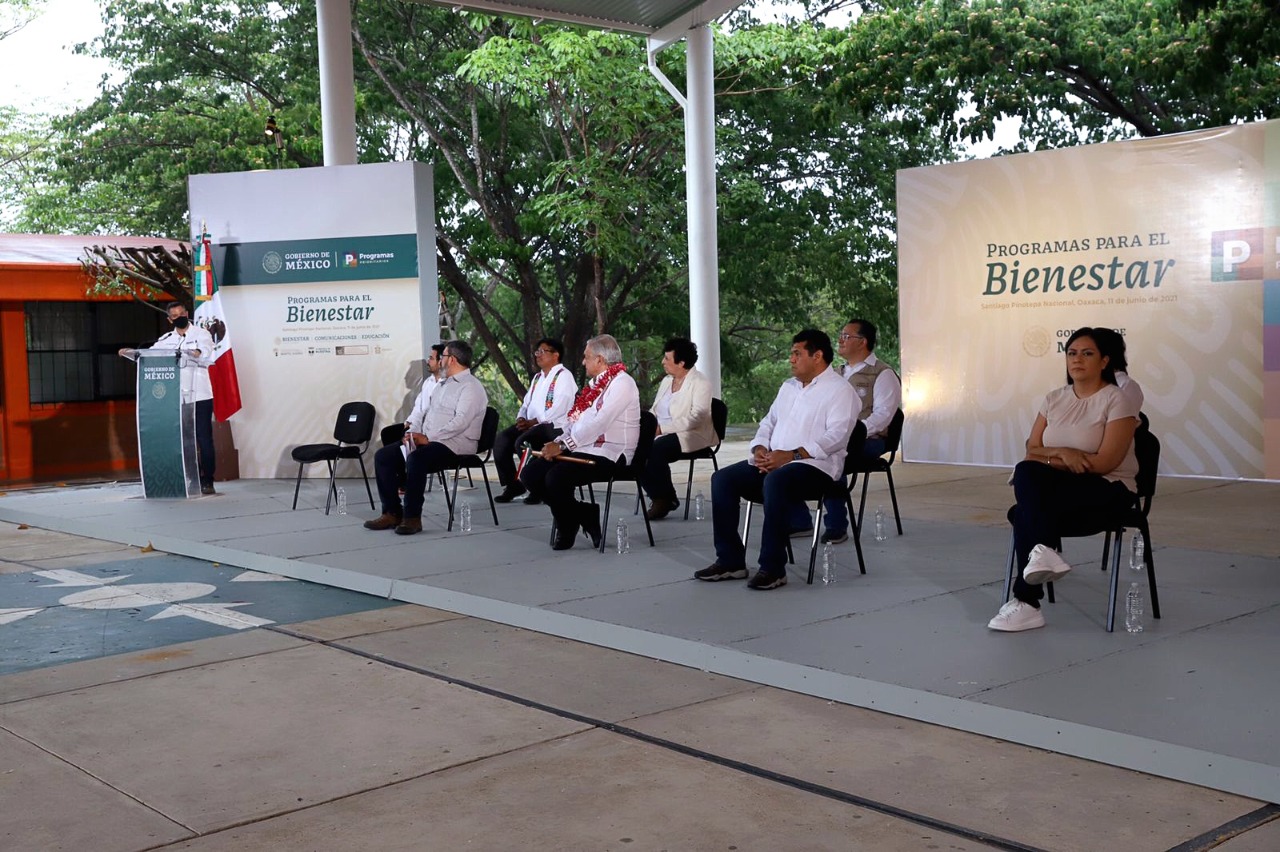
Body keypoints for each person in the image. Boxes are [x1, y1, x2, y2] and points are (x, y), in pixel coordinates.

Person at [988, 327, 1140, 632]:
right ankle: (1040, 565)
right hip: (1062, 490)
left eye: (1087, 353)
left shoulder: (1117, 400)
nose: (1077, 359)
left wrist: (1051, 459)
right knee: (1027, 471)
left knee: (1026, 509)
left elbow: (1105, 462)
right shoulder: (1054, 399)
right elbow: (1032, 450)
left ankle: (1027, 600)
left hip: (1108, 489)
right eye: (1072, 353)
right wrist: (1063, 453)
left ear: (1104, 361)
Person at [697, 330, 855, 590]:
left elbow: (836, 437)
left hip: (817, 468)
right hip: (776, 463)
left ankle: (773, 568)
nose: (791, 359)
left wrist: (792, 455)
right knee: (723, 479)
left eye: (797, 354)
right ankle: (730, 561)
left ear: (817, 356)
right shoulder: (788, 387)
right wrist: (760, 447)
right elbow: (768, 423)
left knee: (777, 481)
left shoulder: (840, 390)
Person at [518, 334, 640, 550]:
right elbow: (574, 423)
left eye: (587, 357)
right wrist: (557, 442)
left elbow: (600, 423)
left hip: (610, 453)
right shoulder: (594, 386)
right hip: (583, 448)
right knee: (530, 475)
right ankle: (582, 514)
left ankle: (567, 526)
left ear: (600, 360)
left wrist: (563, 446)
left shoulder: (623, 383)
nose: (583, 362)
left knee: (556, 478)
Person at [364, 340, 488, 536]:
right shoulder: (442, 385)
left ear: (452, 359)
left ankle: (412, 517)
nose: (440, 360)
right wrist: (412, 434)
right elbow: (426, 415)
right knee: (384, 456)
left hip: (455, 445)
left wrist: (427, 438)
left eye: (443, 356)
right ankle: (392, 512)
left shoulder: (471, 387)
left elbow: (461, 422)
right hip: (432, 440)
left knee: (417, 459)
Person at [816, 318, 903, 544]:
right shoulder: (835, 373)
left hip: (869, 440)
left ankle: (836, 525)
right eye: (841, 335)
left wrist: (854, 433)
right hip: (837, 436)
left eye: (846, 336)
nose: (840, 340)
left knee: (833, 455)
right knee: (792, 452)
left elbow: (884, 416)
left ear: (862, 342)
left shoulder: (882, 373)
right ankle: (799, 521)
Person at [119, 302, 217, 495]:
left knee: (203, 438)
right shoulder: (166, 339)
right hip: (176, 398)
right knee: (183, 439)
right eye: (174, 316)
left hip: (200, 395)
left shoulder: (201, 334)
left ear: (187, 314)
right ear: (169, 319)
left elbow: (206, 349)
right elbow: (152, 354)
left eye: (182, 314)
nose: (179, 317)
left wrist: (197, 352)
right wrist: (133, 353)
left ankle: (208, 480)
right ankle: (192, 476)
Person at [493, 338, 577, 504]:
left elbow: (560, 407)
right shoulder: (538, 377)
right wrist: (521, 418)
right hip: (532, 424)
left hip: (554, 426)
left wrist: (534, 421)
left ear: (556, 355)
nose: (538, 355)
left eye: (542, 351)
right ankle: (513, 485)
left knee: (524, 443)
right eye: (537, 351)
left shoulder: (564, 376)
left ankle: (536, 486)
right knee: (502, 440)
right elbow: (526, 403)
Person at [641, 337, 716, 520]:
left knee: (656, 449)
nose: (662, 362)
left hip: (691, 433)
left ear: (681, 363)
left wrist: (662, 429)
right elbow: (655, 409)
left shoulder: (701, 383)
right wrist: (648, 425)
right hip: (662, 431)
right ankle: (662, 497)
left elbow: (696, 418)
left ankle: (663, 499)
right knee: (635, 448)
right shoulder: (667, 381)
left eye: (667, 358)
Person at [382, 344, 446, 448]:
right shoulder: (428, 382)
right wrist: (410, 424)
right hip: (419, 424)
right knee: (388, 433)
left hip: (433, 430)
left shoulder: (447, 385)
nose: (428, 362)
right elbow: (418, 409)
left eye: (431, 358)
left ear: (440, 362)